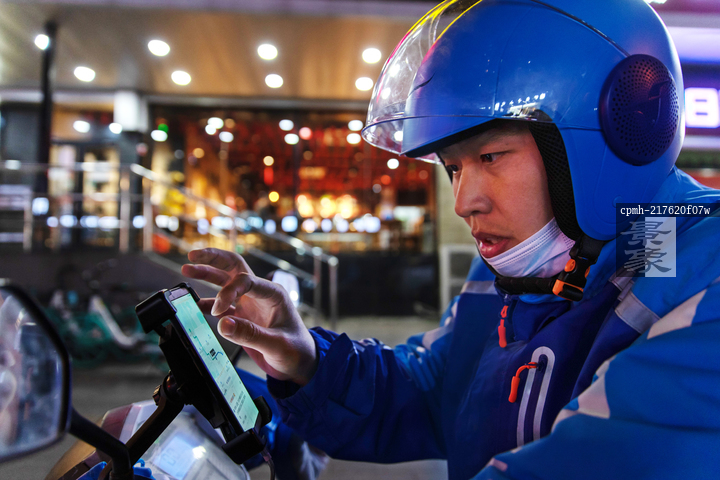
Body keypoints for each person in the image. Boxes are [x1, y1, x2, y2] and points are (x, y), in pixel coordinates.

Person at [182, 0, 720, 478]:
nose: (464, 203)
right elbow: (437, 389)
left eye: (490, 156)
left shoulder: (701, 273)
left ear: (623, 130)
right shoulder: (519, 263)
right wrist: (309, 363)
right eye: (454, 168)